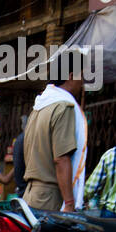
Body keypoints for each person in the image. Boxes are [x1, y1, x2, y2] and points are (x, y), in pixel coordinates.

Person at [21, 75, 87, 213]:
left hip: (31, 194)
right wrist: (69, 203)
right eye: (81, 74)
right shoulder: (63, 106)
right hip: (50, 198)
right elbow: (61, 158)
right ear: (70, 75)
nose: (82, 81)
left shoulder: (39, 107)